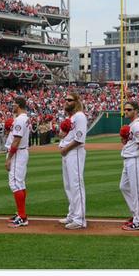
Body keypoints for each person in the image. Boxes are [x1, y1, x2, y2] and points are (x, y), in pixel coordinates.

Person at [56, 92, 88, 230]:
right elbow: (65, 135)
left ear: (76, 102)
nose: (66, 102)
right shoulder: (71, 118)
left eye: (69, 100)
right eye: (65, 100)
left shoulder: (80, 116)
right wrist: (62, 134)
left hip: (74, 152)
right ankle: (73, 214)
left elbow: (79, 139)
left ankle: (80, 219)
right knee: (69, 185)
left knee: (76, 184)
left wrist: (66, 149)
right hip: (68, 153)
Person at [120, 101, 139, 231]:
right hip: (128, 160)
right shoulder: (131, 125)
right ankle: (137, 214)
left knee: (137, 192)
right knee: (124, 186)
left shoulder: (138, 125)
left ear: (136, 110)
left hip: (136, 160)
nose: (126, 111)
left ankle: (138, 222)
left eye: (129, 109)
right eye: (125, 109)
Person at [5, 97, 30, 228]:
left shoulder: (20, 119)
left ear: (18, 105)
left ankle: (22, 217)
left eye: (13, 104)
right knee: (20, 183)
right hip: (21, 152)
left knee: (15, 183)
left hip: (18, 153)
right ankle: (21, 213)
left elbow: (16, 141)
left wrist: (9, 158)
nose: (12, 106)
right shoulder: (23, 118)